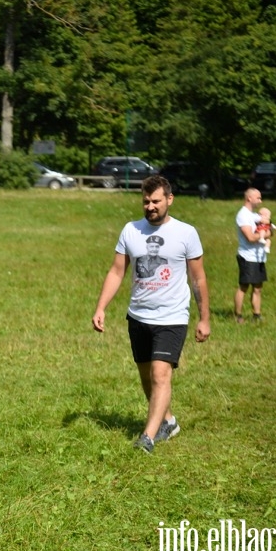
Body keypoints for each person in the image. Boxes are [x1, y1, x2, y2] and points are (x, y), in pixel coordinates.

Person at [92, 175, 210, 454]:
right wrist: (101, 307)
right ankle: (168, 421)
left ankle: (148, 436)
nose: (150, 206)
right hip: (138, 316)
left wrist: (204, 317)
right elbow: (117, 271)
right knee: (147, 378)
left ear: (169, 199)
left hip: (172, 317)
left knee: (160, 375)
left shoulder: (186, 233)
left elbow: (199, 279)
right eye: (146, 201)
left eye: (156, 201)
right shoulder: (131, 230)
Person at [234, 188, 269, 323]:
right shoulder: (243, 215)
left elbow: (269, 228)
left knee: (258, 288)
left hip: (259, 257)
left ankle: (256, 315)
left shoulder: (254, 215)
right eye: (258, 198)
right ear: (249, 198)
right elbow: (250, 237)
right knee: (244, 287)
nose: (260, 201)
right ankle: (238, 315)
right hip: (247, 257)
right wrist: (267, 234)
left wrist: (267, 233)